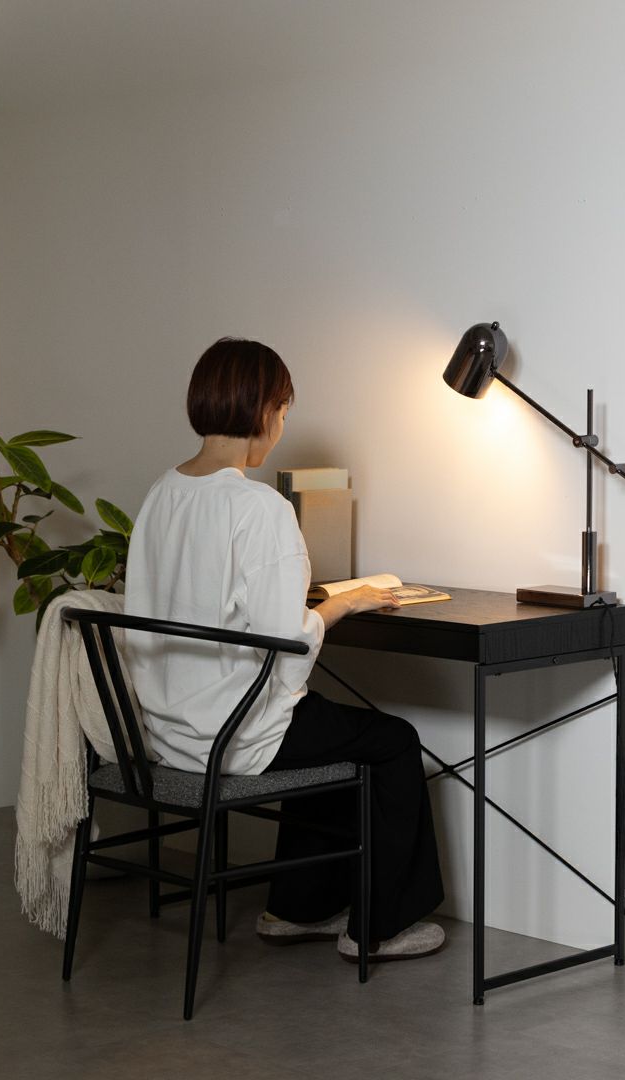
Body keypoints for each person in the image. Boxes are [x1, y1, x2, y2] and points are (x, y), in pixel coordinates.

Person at [123, 337, 444, 962]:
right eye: (284, 409)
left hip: (166, 730)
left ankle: (298, 909)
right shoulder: (258, 507)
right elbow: (285, 643)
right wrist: (344, 604)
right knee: (392, 742)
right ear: (265, 409)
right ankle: (379, 929)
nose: (281, 425)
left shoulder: (161, 493)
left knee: (329, 730)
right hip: (227, 736)